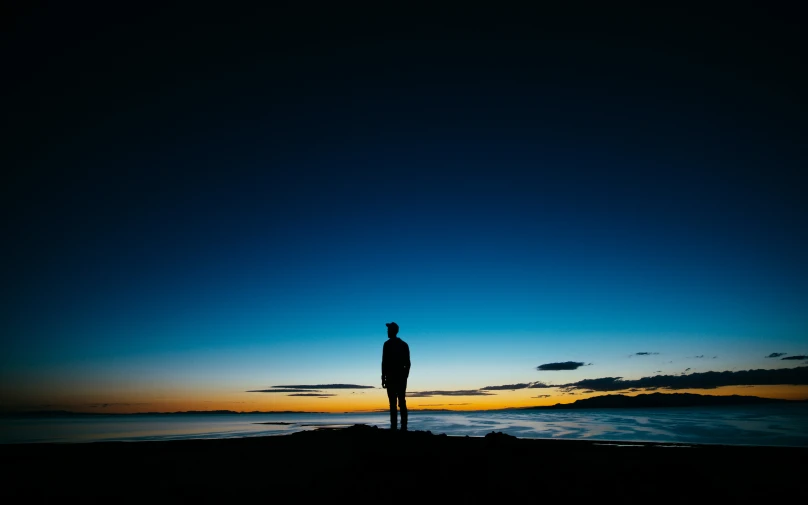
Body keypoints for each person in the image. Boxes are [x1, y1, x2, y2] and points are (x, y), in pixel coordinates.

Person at [381, 321, 410, 431]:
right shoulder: (402, 345)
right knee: (399, 402)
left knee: (396, 403)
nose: (387, 331)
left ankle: (398, 427)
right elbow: (384, 362)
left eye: (388, 330)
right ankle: (401, 427)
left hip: (394, 378)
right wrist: (384, 377)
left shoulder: (389, 345)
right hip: (396, 378)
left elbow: (384, 362)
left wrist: (384, 377)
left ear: (394, 331)